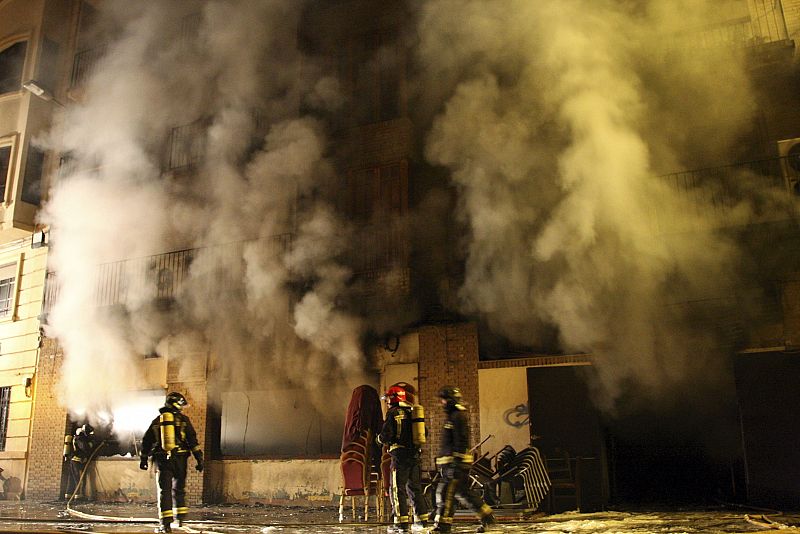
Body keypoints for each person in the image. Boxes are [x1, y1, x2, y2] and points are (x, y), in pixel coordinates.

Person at [431, 386, 497, 534]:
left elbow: (461, 440)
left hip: (455, 464)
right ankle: (487, 517)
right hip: (453, 464)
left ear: (451, 400)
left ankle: (442, 527)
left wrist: (455, 464)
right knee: (464, 494)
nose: (442, 403)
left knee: (444, 494)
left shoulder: (457, 416)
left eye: (444, 399)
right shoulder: (453, 416)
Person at [140, 392, 204, 533]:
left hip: (163, 460)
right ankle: (180, 518)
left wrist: (143, 459)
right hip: (181, 459)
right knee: (179, 489)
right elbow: (192, 441)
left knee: (165, 491)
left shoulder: (158, 421)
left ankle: (166, 524)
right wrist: (199, 459)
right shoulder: (184, 420)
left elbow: (147, 441)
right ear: (177, 405)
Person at [377, 383, 430, 533]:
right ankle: (421, 521)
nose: (387, 402)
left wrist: (379, 439)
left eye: (388, 399)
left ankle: (401, 523)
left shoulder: (393, 412)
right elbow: (424, 432)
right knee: (415, 488)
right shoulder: (412, 411)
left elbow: (387, 435)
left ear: (392, 399)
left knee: (397, 489)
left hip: (399, 457)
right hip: (414, 456)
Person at [65, 424, 96, 500]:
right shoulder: (80, 438)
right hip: (77, 461)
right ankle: (78, 496)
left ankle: (68, 495)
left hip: (74, 460)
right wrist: (91, 444)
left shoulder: (78, 437)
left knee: (72, 479)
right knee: (79, 479)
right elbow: (85, 448)